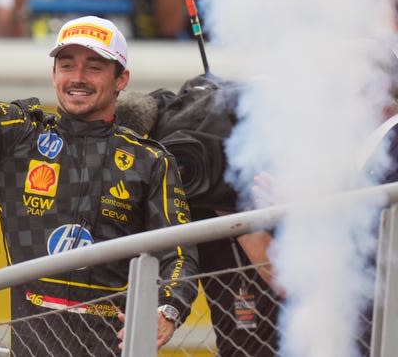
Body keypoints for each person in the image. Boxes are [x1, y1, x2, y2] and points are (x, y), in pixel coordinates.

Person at [0, 0, 199, 356]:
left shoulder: (150, 160)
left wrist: (167, 308)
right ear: (54, 72)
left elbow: (179, 254)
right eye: (66, 65)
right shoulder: (17, 137)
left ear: (121, 79)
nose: (78, 77)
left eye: (94, 67)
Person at [115, 75, 283, 356]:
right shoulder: (181, 197)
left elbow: (284, 279)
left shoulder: (273, 185)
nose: (194, 162)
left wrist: (235, 205)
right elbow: (172, 267)